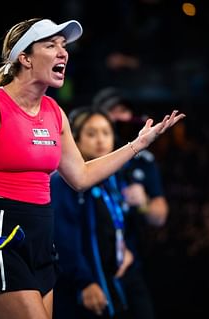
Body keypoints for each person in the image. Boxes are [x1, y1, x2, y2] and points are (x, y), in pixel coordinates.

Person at [0, 17, 185, 319]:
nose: (63, 52)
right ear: (24, 58)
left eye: (64, 46)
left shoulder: (55, 113)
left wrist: (136, 146)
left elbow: (80, 176)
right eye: (51, 45)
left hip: (41, 242)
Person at [92, 87, 170, 319]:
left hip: (131, 263)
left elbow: (160, 216)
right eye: (112, 112)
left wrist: (144, 202)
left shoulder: (142, 160)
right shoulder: (83, 164)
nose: (120, 118)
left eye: (124, 111)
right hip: (93, 267)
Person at [50, 107, 135, 318]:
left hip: (109, 280)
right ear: (75, 140)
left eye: (106, 133)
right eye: (91, 133)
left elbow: (117, 224)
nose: (100, 140)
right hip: (78, 288)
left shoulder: (111, 179)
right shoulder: (63, 181)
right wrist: (85, 282)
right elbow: (63, 237)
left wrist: (125, 249)